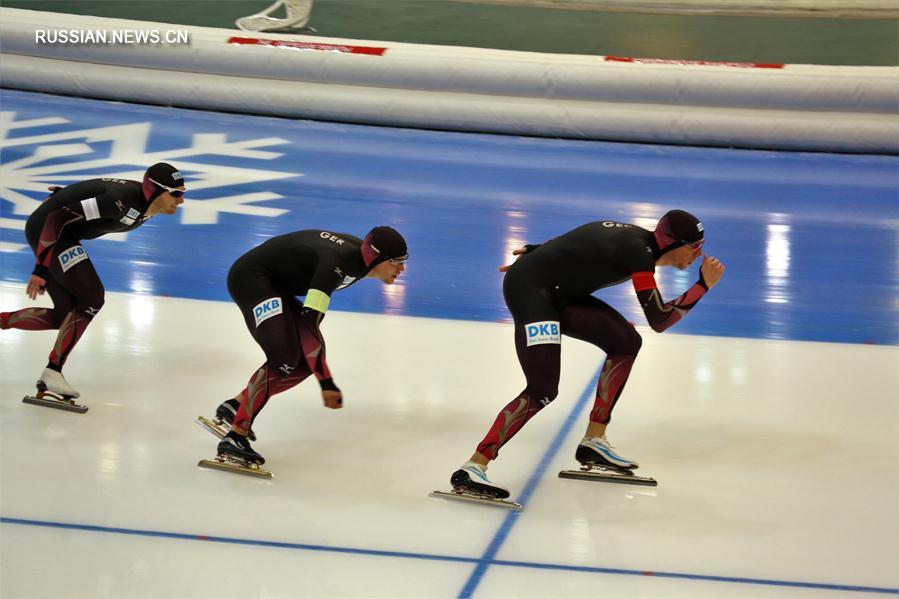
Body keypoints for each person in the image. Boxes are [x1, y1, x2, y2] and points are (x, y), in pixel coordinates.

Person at [450, 210, 726, 498]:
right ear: (673, 243)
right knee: (542, 388)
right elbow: (659, 319)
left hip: (558, 291)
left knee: (626, 342)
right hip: (531, 291)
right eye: (695, 247)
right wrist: (702, 285)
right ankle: (473, 467)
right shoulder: (639, 254)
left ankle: (594, 442)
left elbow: (582, 239)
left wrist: (539, 252)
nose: (699, 254)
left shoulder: (635, 241)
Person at [209, 226, 408, 467]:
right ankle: (235, 438)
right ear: (376, 257)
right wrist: (326, 382)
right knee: (283, 359)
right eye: (397, 262)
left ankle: (237, 405)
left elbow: (310, 324)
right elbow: (308, 326)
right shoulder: (336, 264)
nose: (402, 269)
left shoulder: (359, 262)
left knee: (302, 365)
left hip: (275, 285)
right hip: (252, 278)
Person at [1, 163, 186, 399]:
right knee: (92, 297)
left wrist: (67, 195)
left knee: (66, 316)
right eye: (176, 193)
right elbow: (57, 217)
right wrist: (40, 267)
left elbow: (91, 191)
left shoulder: (146, 207)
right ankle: (53, 371)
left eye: (182, 193)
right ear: (155, 190)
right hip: (50, 232)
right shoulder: (120, 202)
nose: (181, 201)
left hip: (61, 233)